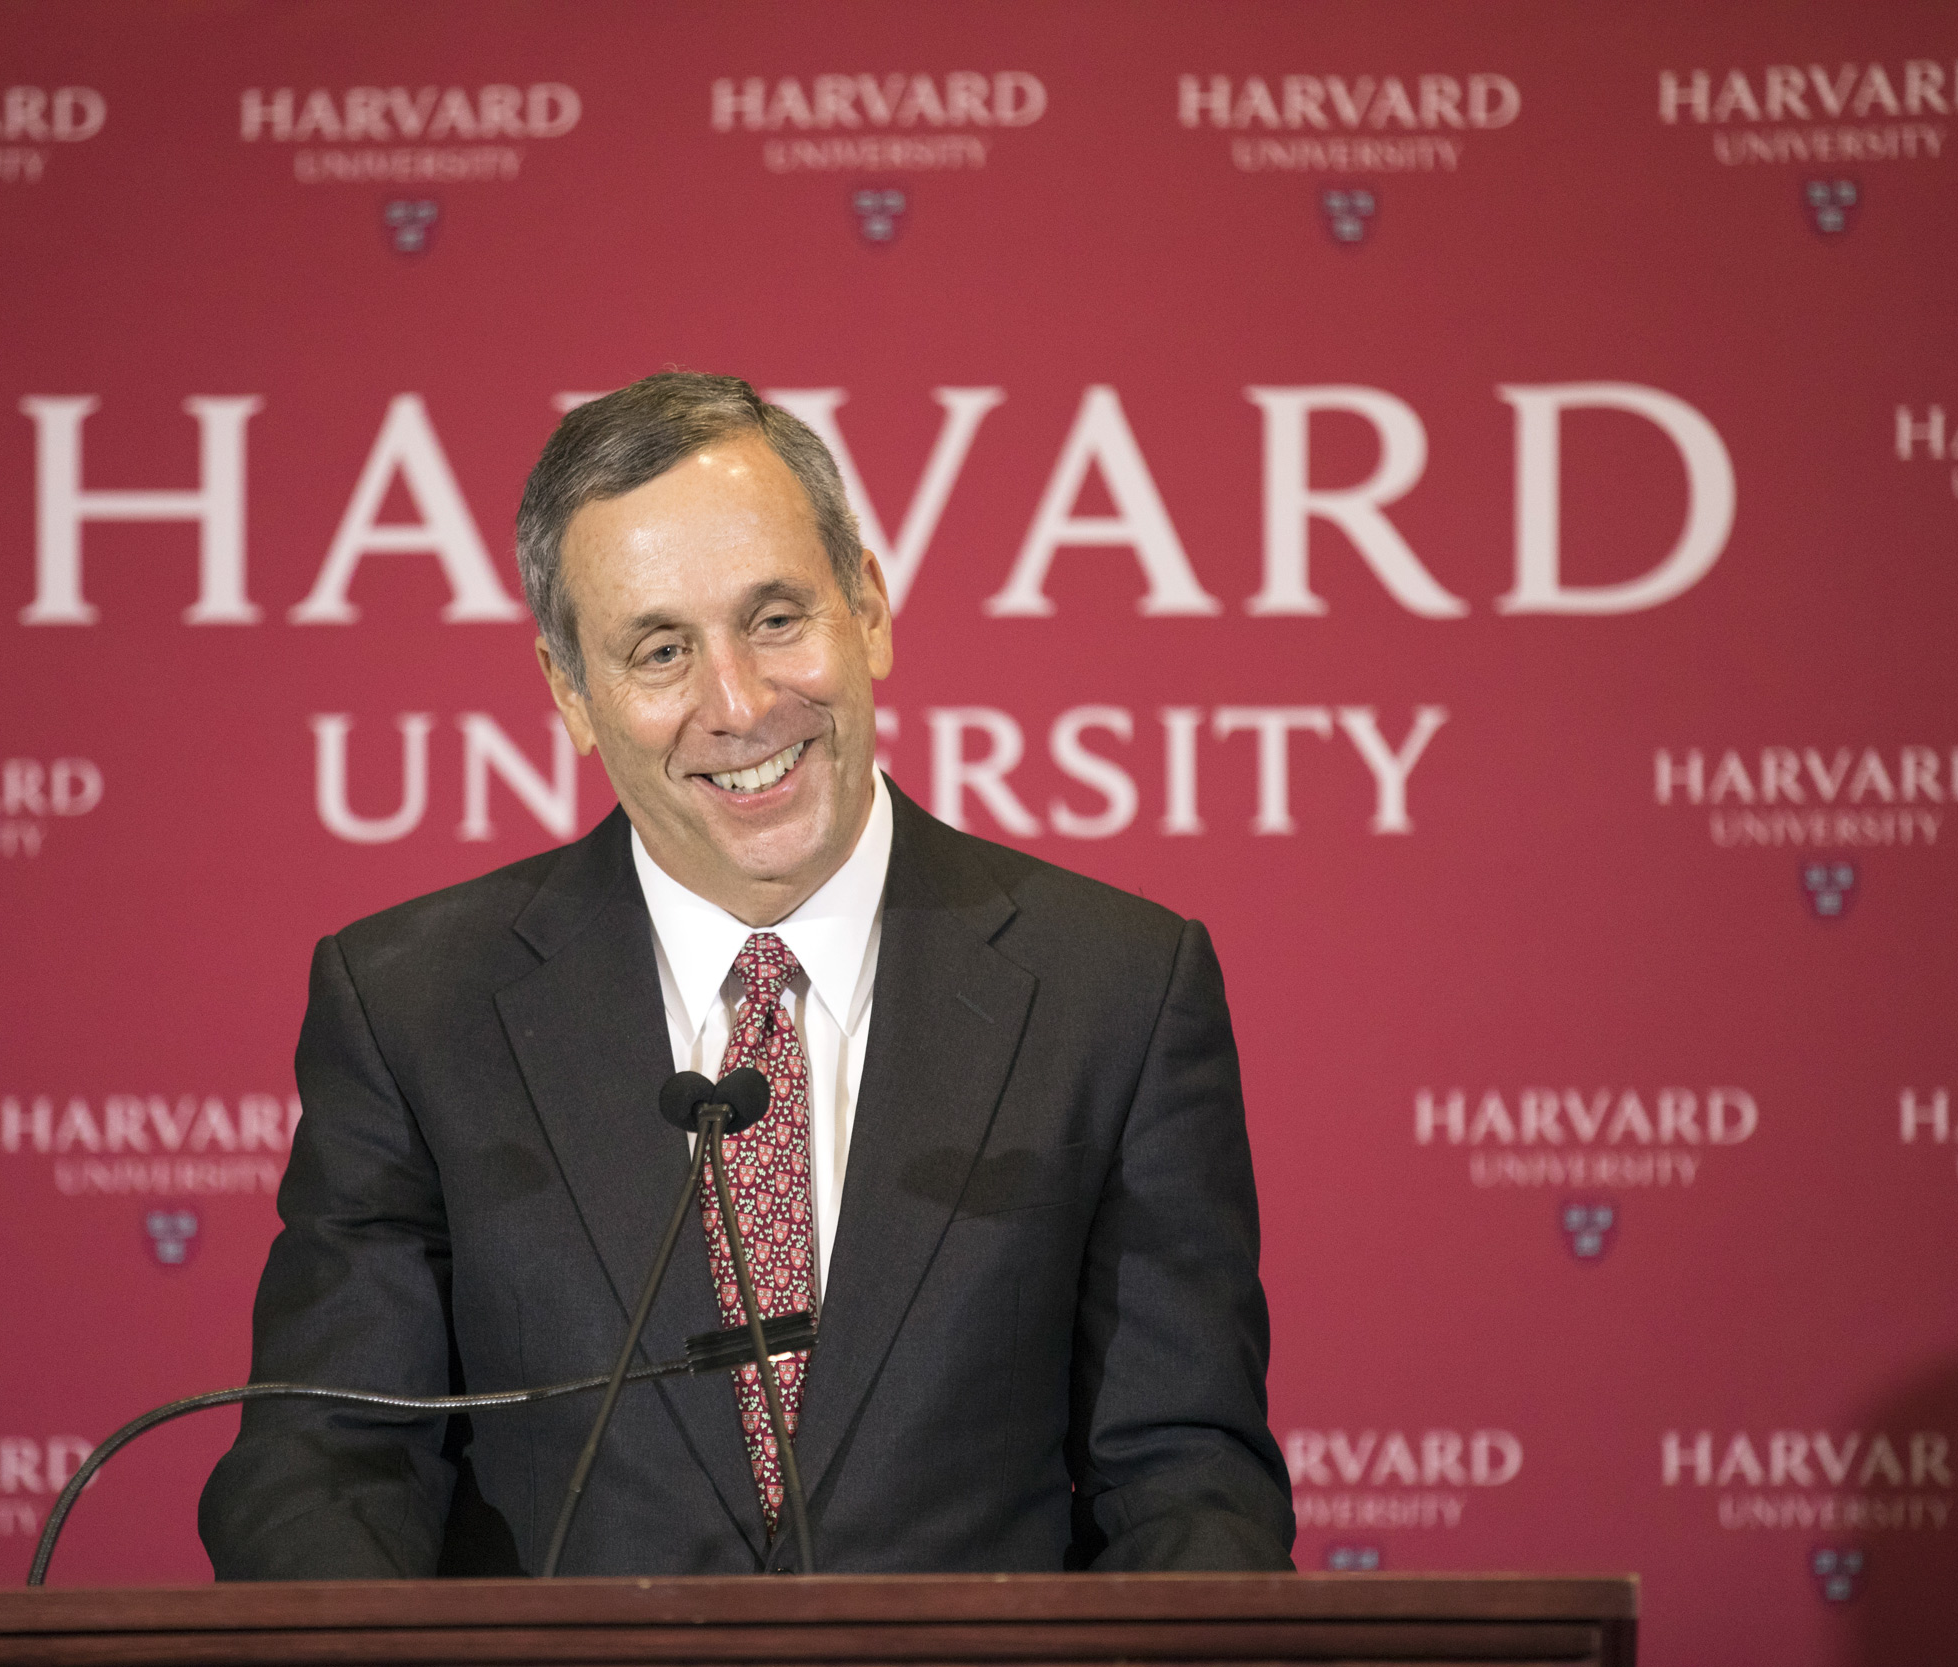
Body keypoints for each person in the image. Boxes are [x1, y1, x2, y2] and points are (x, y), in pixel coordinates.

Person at [200, 371, 1293, 1577]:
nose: (740, 704)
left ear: (867, 606)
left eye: (776, 619)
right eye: (660, 649)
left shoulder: (1117, 990)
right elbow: (327, 1463)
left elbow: (1182, 1479)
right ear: (572, 692)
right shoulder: (413, 1005)